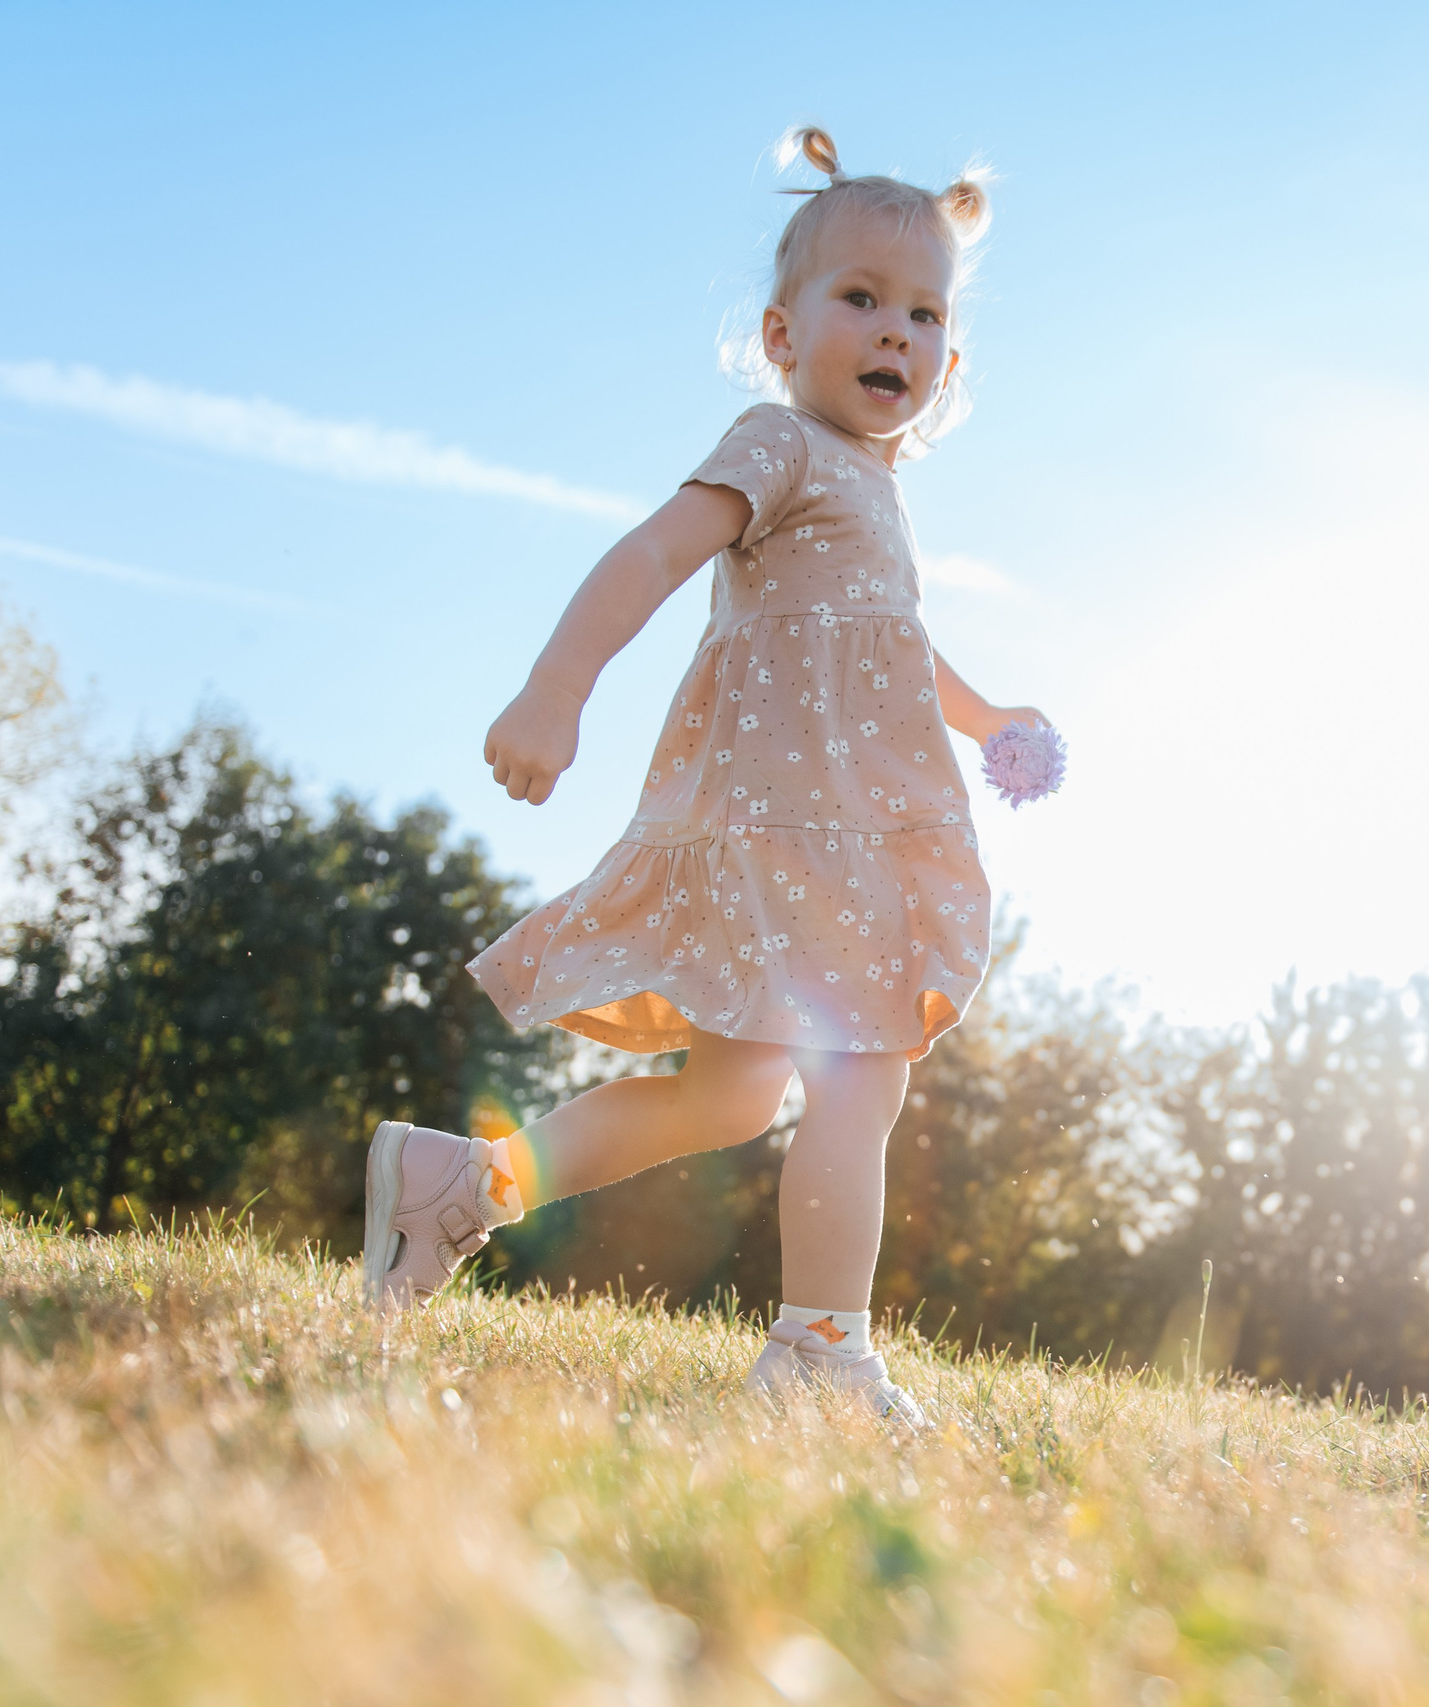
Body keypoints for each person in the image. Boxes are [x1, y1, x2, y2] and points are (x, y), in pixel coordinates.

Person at [361, 126, 1044, 1426]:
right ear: (783, 337)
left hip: (823, 834)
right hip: (789, 829)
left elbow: (897, 644)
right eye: (859, 299)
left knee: (732, 1099)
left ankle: (460, 1186)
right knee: (866, 1060)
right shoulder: (778, 448)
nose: (894, 331)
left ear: (948, 358)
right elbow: (653, 553)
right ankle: (818, 1352)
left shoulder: (875, 497)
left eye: (922, 311)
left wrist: (985, 712)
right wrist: (556, 689)